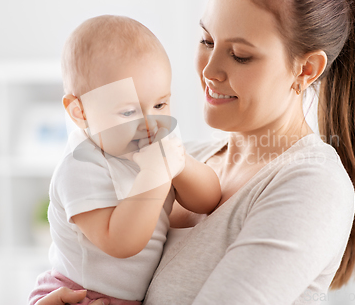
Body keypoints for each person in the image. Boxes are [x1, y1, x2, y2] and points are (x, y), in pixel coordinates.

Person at [37, 0, 355, 303]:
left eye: (240, 55)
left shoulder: (311, 186)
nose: (208, 71)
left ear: (305, 69)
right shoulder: (182, 154)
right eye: (206, 40)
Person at [28, 15, 222, 305]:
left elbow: (209, 199)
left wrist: (179, 164)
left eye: (159, 104)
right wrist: (155, 177)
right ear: (80, 112)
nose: (150, 122)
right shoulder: (80, 166)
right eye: (128, 112)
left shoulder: (154, 146)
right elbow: (121, 243)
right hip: (78, 294)